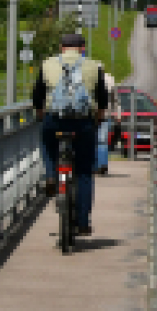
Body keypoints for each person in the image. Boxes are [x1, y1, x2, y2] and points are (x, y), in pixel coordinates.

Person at [34, 32, 108, 237]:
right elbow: (102, 97)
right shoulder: (94, 66)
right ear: (82, 48)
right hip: (83, 123)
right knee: (84, 171)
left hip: (54, 121)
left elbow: (38, 94)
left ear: (62, 47)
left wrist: (40, 113)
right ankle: (83, 222)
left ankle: (51, 175)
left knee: (47, 144)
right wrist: (99, 116)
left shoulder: (48, 64)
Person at [97, 71, 117, 176]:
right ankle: (103, 164)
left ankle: (96, 165)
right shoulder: (110, 79)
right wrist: (116, 113)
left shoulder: (88, 76)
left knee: (93, 141)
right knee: (103, 141)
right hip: (106, 113)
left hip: (92, 114)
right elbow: (114, 99)